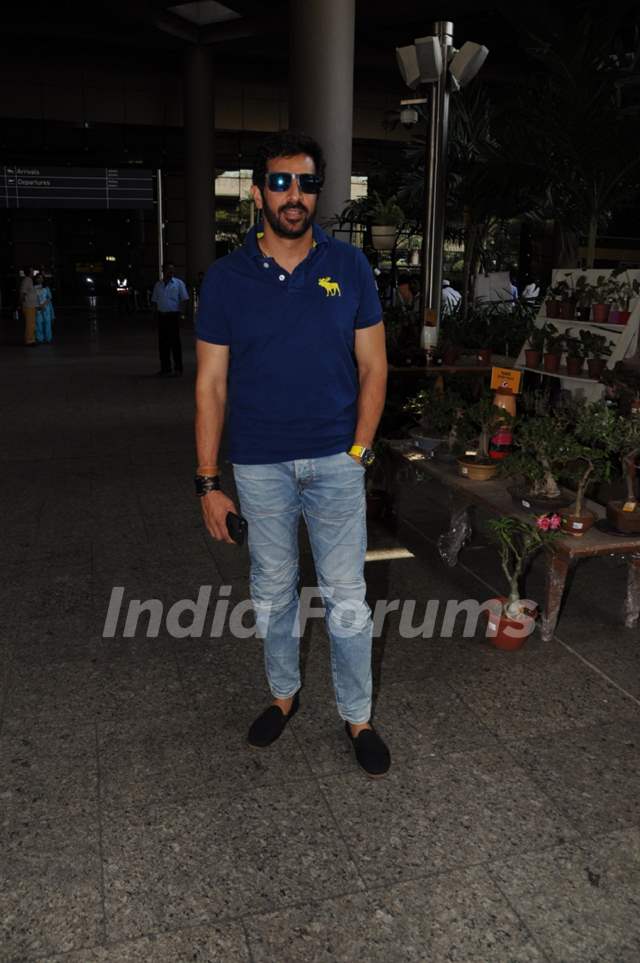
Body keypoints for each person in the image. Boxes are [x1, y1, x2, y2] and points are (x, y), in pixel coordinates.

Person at [195, 130, 391, 778]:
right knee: (274, 593)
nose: (294, 195)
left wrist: (358, 450)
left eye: (306, 183)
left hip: (336, 462)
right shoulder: (225, 280)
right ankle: (283, 695)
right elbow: (211, 385)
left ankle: (357, 715)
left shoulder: (352, 267)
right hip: (259, 467)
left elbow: (374, 367)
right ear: (257, 193)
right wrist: (207, 481)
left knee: (347, 598)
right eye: (280, 182)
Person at [151, 263, 189, 376]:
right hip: (162, 316)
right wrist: (154, 317)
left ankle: (178, 368)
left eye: (172, 270)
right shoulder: (158, 285)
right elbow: (154, 301)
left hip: (173, 316)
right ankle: (165, 368)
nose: (171, 273)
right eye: (168, 270)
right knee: (163, 344)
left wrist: (182, 315)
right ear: (163, 271)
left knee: (175, 343)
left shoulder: (178, 284)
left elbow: (184, 300)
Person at [34, 273, 55, 343]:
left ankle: (48, 338)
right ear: (36, 279)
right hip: (37, 307)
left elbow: (49, 298)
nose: (40, 279)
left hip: (46, 307)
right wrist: (38, 306)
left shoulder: (46, 287)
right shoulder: (33, 288)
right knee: (38, 323)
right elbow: (33, 298)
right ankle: (40, 339)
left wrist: (44, 304)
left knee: (47, 323)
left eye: (41, 278)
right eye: (38, 278)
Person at [20, 268, 38, 346]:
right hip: (29, 305)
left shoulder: (29, 280)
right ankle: (29, 340)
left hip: (31, 305)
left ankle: (31, 339)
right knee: (29, 324)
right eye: (32, 271)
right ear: (29, 272)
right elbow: (23, 293)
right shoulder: (27, 280)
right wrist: (24, 303)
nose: (33, 272)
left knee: (32, 323)